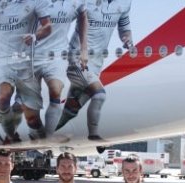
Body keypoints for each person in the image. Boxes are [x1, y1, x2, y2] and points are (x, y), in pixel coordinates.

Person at [0, 0, 52, 143]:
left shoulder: (35, 3)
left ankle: (43, 141)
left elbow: (47, 26)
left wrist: (35, 36)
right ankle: (10, 135)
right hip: (3, 60)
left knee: (32, 118)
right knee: (3, 97)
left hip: (26, 63)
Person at [56, 0, 133, 141]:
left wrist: (127, 38)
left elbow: (124, 26)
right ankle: (93, 135)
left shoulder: (124, 3)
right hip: (78, 58)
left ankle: (52, 129)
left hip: (97, 62)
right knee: (99, 95)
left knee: (73, 107)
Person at [28, 0, 88, 140]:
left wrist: (84, 48)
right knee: (28, 102)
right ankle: (35, 131)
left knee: (56, 92)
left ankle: (47, 136)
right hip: (32, 55)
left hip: (58, 54)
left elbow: (83, 16)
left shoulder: (76, 3)